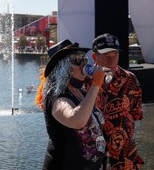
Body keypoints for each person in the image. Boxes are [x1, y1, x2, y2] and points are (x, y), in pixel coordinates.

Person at [35, 39, 110, 170]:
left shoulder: (82, 92)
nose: (83, 66)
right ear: (62, 68)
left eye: (84, 61)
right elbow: (77, 120)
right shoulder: (56, 97)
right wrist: (96, 84)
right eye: (77, 62)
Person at [88, 33, 144, 170]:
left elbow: (136, 114)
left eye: (115, 55)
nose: (112, 61)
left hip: (124, 155)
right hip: (92, 153)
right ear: (95, 57)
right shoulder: (85, 82)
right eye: (107, 56)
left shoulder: (131, 80)